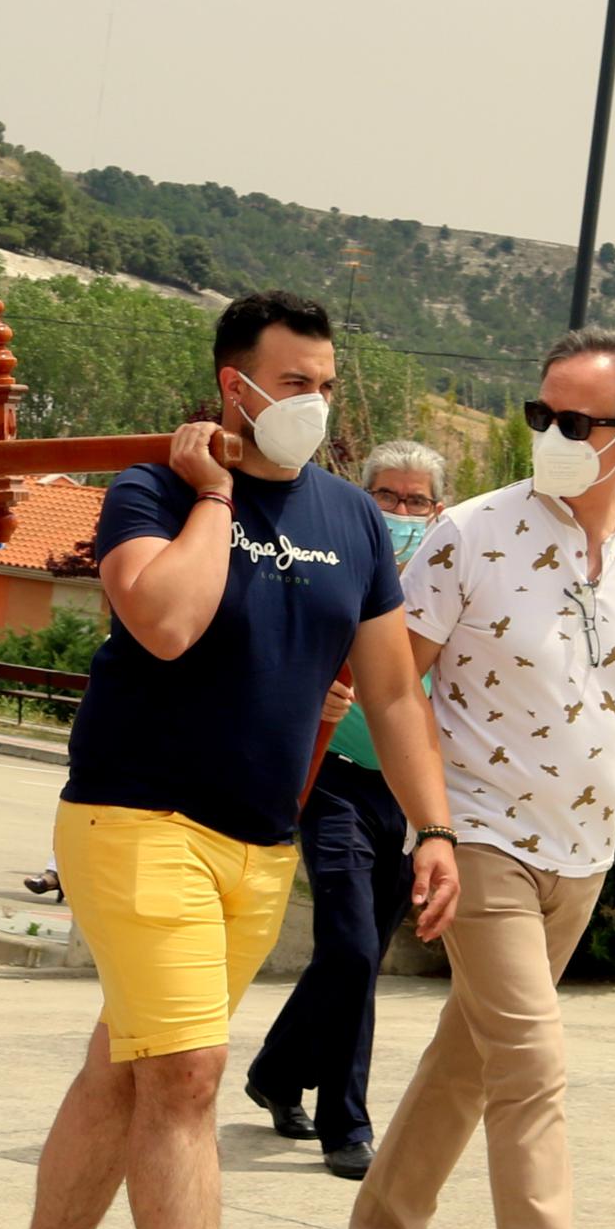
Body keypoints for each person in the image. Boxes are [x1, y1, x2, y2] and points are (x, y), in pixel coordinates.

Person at [0, 291, 456, 1229]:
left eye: (326, 384)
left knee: (126, 1069)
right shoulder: (149, 490)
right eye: (293, 383)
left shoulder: (353, 520)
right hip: (137, 821)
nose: (315, 404)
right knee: (187, 1076)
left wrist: (433, 827)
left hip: (257, 843)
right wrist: (210, 496)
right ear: (231, 385)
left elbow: (392, 690)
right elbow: (162, 621)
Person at [336, 335, 615, 1229]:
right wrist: (430, 825)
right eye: (536, 414)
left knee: (469, 1055)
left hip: (578, 851)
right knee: (530, 1063)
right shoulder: (466, 534)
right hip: (477, 835)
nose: (546, 436)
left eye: (573, 422)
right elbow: (395, 683)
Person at [243, 440, 448, 1180]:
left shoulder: (449, 586)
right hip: (328, 779)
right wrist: (312, 698)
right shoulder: (337, 567)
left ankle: (274, 1067)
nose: (398, 512)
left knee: (352, 955)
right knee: (355, 948)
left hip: (405, 791)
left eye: (414, 500)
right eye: (386, 497)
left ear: (438, 511)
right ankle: (346, 1121)